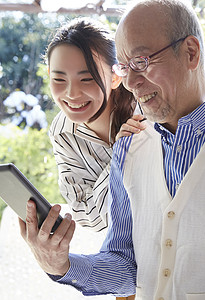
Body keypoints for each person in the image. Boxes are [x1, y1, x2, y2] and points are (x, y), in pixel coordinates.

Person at [19, 1, 205, 299]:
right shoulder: (129, 146)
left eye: (142, 62)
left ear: (191, 53)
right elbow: (127, 266)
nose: (131, 83)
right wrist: (63, 266)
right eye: (124, 66)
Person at [46, 18, 145, 232]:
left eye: (87, 79)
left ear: (115, 77)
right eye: (59, 80)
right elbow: (89, 217)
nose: (71, 94)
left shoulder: (145, 111)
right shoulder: (63, 132)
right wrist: (121, 156)